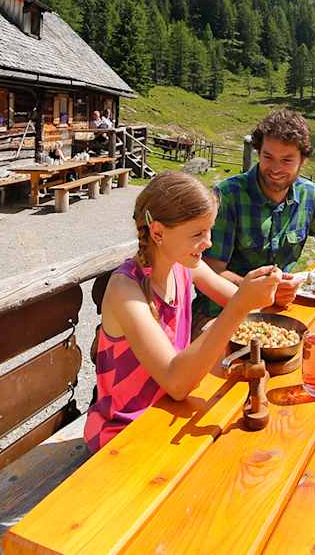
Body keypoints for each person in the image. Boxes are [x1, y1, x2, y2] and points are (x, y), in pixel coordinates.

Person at [85, 171, 282, 453]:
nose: (209, 242)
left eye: (210, 230)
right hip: (122, 433)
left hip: (166, 413)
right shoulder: (124, 290)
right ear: (158, 233)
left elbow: (242, 302)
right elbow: (176, 382)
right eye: (198, 233)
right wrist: (240, 306)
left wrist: (263, 285)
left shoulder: (184, 266)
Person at [203, 110, 315, 316]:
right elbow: (211, 269)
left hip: (280, 308)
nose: (275, 168)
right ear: (259, 153)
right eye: (268, 157)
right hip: (221, 310)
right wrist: (263, 292)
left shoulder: (309, 194)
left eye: (286, 160)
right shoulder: (228, 195)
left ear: (303, 161)